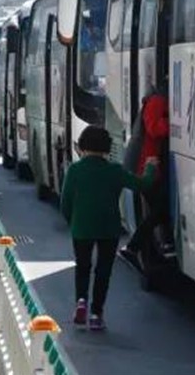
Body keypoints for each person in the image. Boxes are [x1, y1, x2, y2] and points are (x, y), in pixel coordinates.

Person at [60, 126, 158, 331]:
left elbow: (65, 202)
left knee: (83, 266)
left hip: (82, 227)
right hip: (108, 228)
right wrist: (150, 167)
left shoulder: (75, 170)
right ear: (106, 147)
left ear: (83, 146)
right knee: (103, 271)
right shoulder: (115, 170)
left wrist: (72, 221)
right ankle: (96, 314)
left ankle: (81, 302)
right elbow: (143, 185)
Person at [120, 87, 170, 270]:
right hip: (145, 166)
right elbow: (154, 128)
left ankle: (142, 248)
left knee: (158, 210)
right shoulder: (157, 101)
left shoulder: (155, 100)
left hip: (147, 164)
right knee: (160, 209)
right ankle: (133, 247)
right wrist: (175, 122)